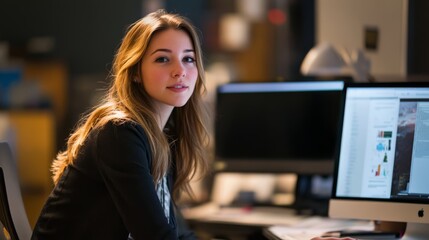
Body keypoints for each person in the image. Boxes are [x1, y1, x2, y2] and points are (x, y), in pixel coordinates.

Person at [31, 9, 210, 240]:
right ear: (135, 71)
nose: (180, 71)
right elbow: (155, 236)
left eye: (188, 59)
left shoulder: (163, 136)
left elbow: (175, 233)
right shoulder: (120, 133)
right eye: (163, 59)